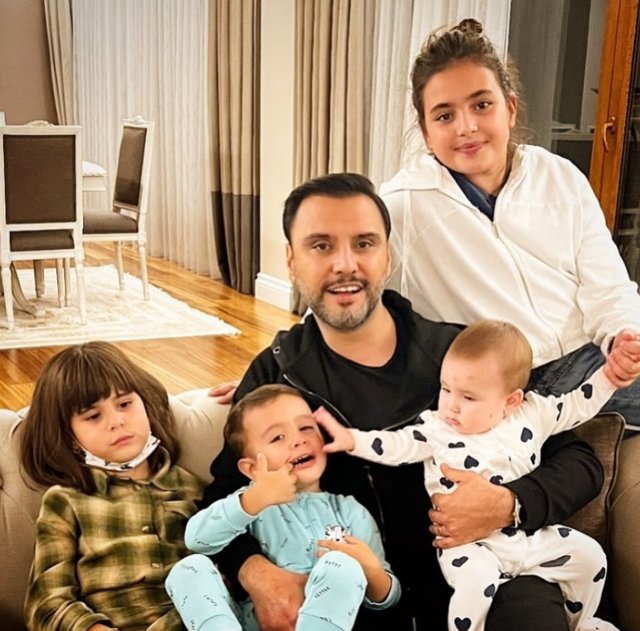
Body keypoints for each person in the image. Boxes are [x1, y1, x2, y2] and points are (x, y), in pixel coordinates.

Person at [203, 172, 604, 631]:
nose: (345, 264)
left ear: (388, 256)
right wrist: (255, 573)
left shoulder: (459, 356)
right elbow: (221, 495)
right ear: (291, 261)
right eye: (321, 246)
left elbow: (579, 461)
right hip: (355, 606)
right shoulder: (277, 375)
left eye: (364, 243)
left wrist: (509, 503)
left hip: (500, 577)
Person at [380, 18, 640, 428]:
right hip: (510, 385)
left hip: (590, 357)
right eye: (444, 116)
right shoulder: (401, 207)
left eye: (482, 105)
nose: (466, 127)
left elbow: (608, 286)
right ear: (426, 133)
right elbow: (343, 294)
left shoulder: (560, 176)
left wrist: (624, 336)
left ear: (511, 108)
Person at [314, 319, 621, 631]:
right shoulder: (436, 430)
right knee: (475, 585)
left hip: (528, 538)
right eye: (446, 389)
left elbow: (577, 405)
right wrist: (353, 440)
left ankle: (583, 622)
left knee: (590, 557)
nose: (451, 406)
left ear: (511, 401)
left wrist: (609, 377)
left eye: (468, 397)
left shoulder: (534, 413)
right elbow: (397, 445)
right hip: (470, 548)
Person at [166, 384, 400, 630]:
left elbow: (388, 599)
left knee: (342, 566)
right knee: (188, 569)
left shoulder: (351, 512)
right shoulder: (248, 504)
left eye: (306, 427)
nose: (298, 440)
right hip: (250, 622)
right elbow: (197, 540)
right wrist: (254, 499)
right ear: (252, 469)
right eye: (277, 437)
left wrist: (371, 570)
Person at [19, 341, 203, 631]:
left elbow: (221, 577)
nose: (116, 421)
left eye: (125, 404)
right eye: (93, 416)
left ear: (145, 403)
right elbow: (46, 603)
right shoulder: (65, 502)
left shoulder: (191, 489)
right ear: (70, 437)